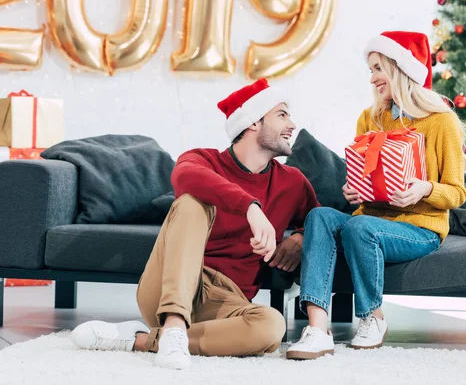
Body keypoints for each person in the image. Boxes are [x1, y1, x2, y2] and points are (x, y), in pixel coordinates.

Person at [70, 78, 320, 369]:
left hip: (226, 303)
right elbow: (184, 177)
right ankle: (173, 324)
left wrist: (301, 237)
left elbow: (318, 220)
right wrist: (249, 206)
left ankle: (142, 339)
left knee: (271, 326)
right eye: (282, 115)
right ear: (253, 122)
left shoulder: (292, 182)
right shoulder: (203, 160)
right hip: (168, 289)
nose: (292, 124)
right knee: (191, 202)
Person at [286, 31, 466, 360]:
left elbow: (457, 192)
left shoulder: (442, 122)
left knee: (359, 228)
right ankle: (317, 328)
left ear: (401, 69)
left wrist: (424, 188)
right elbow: (367, 185)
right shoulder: (369, 118)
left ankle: (373, 317)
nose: (372, 79)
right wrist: (355, 189)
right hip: (370, 220)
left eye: (377, 69)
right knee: (320, 216)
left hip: (421, 228)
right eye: (370, 71)